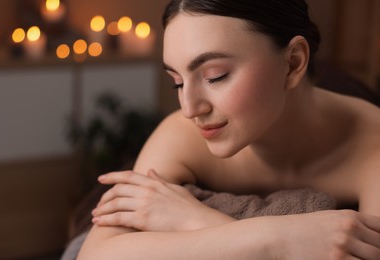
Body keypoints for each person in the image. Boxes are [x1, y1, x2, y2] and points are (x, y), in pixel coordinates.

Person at [77, 0, 380, 258]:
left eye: (215, 76)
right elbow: (95, 254)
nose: (189, 109)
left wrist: (192, 220)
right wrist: (279, 239)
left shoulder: (372, 148)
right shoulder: (182, 136)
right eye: (177, 82)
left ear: (293, 62)